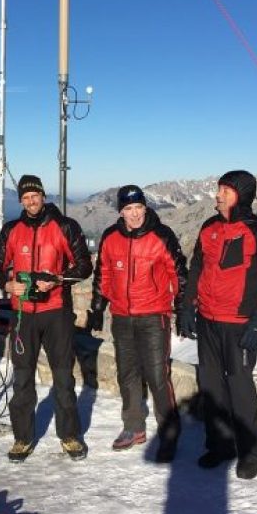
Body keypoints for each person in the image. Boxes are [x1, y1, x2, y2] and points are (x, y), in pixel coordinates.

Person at [179, 170, 257, 479]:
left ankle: (251, 453)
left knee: (240, 390)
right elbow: (197, 269)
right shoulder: (209, 227)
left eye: (225, 191)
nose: (218, 195)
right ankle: (220, 446)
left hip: (239, 325)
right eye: (219, 189)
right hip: (208, 321)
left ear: (241, 195)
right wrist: (187, 307)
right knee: (211, 388)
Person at [0, 174, 93, 462]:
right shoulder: (12, 230)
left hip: (57, 312)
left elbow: (84, 266)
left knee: (63, 377)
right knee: (22, 378)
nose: (31, 201)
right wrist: (7, 284)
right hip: (23, 314)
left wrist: (58, 279)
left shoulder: (65, 226)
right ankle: (22, 438)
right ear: (21, 200)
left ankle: (69, 435)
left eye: (35, 195)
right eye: (25, 197)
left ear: (43, 196)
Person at [89, 184, 188, 462]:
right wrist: (97, 307)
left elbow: (179, 274)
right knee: (127, 374)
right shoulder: (111, 237)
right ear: (121, 211)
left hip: (153, 316)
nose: (134, 214)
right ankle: (133, 428)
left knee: (157, 376)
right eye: (129, 209)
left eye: (139, 208)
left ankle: (169, 434)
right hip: (121, 317)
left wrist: (182, 309)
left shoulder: (161, 235)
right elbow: (103, 273)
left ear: (146, 208)